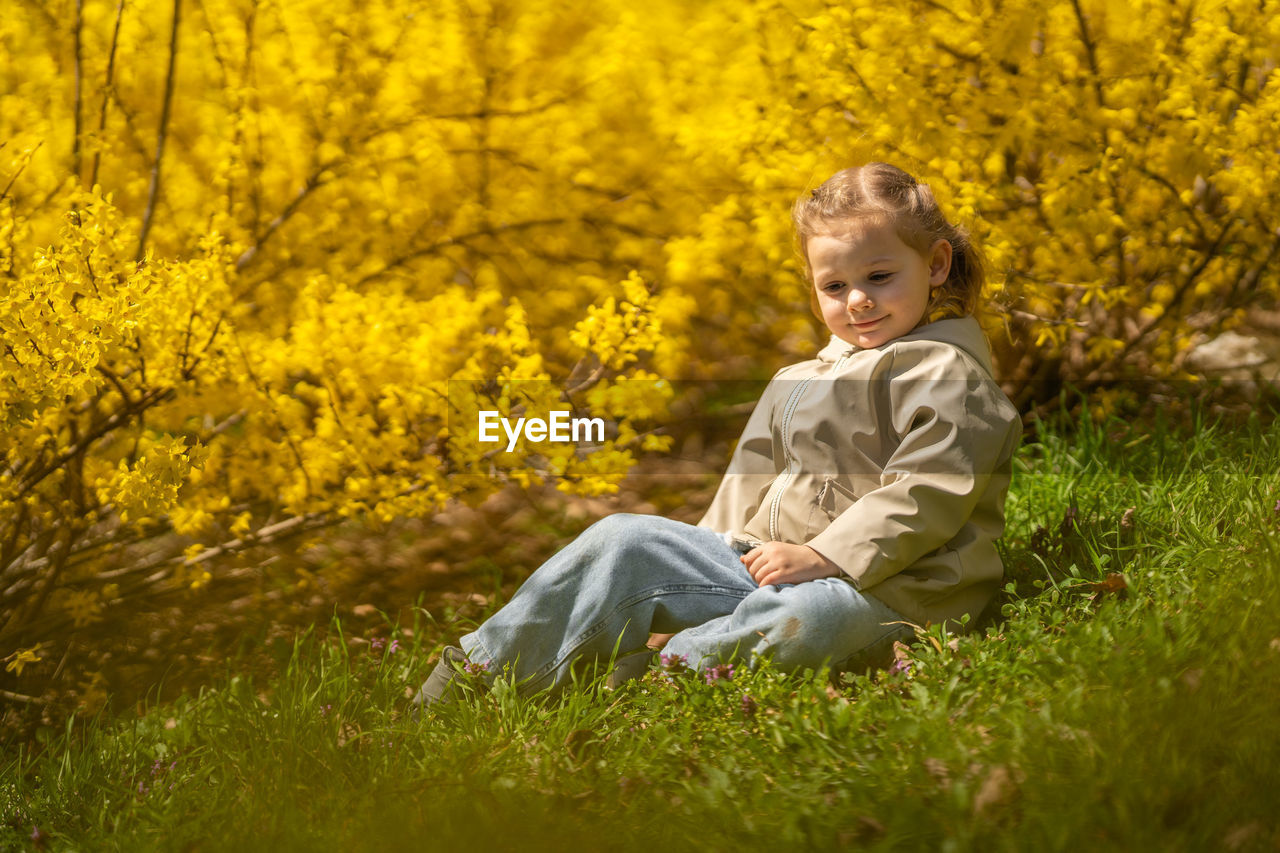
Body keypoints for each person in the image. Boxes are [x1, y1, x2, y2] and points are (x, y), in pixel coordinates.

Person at [412, 162, 1021, 711]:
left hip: (895, 593)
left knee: (806, 617)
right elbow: (749, 481)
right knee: (624, 538)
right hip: (774, 564)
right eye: (834, 287)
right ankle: (477, 675)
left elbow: (927, 492)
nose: (857, 300)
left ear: (936, 264)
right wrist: (702, 567)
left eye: (880, 276)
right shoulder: (800, 378)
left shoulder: (947, 374)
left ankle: (647, 682)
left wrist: (824, 558)